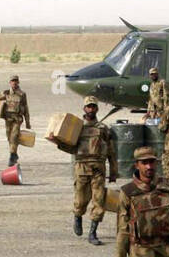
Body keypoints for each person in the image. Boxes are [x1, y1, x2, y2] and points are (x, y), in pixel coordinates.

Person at [48, 95, 117, 245]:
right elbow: (71, 148)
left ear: (97, 108)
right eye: (88, 106)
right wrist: (57, 143)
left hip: (98, 169)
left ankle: (93, 233)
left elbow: (111, 152)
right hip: (82, 168)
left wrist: (113, 172)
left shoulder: (103, 128)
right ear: (84, 108)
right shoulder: (77, 128)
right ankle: (77, 216)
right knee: (80, 200)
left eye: (93, 106)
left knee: (99, 201)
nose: (91, 109)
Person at [0, 74, 31, 166]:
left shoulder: (22, 94)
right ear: (10, 83)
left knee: (14, 137)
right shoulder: (6, 93)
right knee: (9, 137)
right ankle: (14, 154)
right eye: (12, 81)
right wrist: (1, 95)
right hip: (8, 119)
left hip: (17, 120)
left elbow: (26, 108)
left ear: (18, 82)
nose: (14, 83)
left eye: (15, 81)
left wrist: (27, 122)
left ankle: (11, 156)